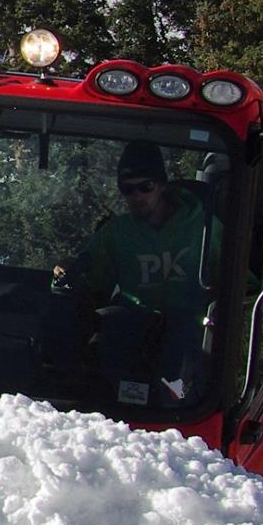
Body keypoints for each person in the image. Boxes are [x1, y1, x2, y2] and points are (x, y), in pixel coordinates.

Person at [53, 141, 223, 399]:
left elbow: (237, 285)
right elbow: (91, 283)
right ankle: (109, 406)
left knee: (184, 357)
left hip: (190, 334)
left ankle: (175, 406)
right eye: (128, 189)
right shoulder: (117, 232)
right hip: (133, 330)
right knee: (106, 331)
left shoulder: (204, 227)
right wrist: (66, 272)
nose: (136, 196)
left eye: (145, 187)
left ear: (162, 185)